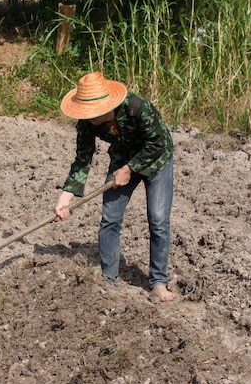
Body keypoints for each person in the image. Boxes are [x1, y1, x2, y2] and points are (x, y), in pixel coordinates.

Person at [54, 72, 175, 302]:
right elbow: (83, 158)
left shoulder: (137, 107)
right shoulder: (87, 124)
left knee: (158, 220)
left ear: (103, 107)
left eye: (90, 113)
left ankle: (158, 282)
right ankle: (108, 279)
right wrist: (66, 196)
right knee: (110, 218)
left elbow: (157, 142)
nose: (87, 117)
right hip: (122, 158)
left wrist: (129, 169)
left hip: (157, 159)